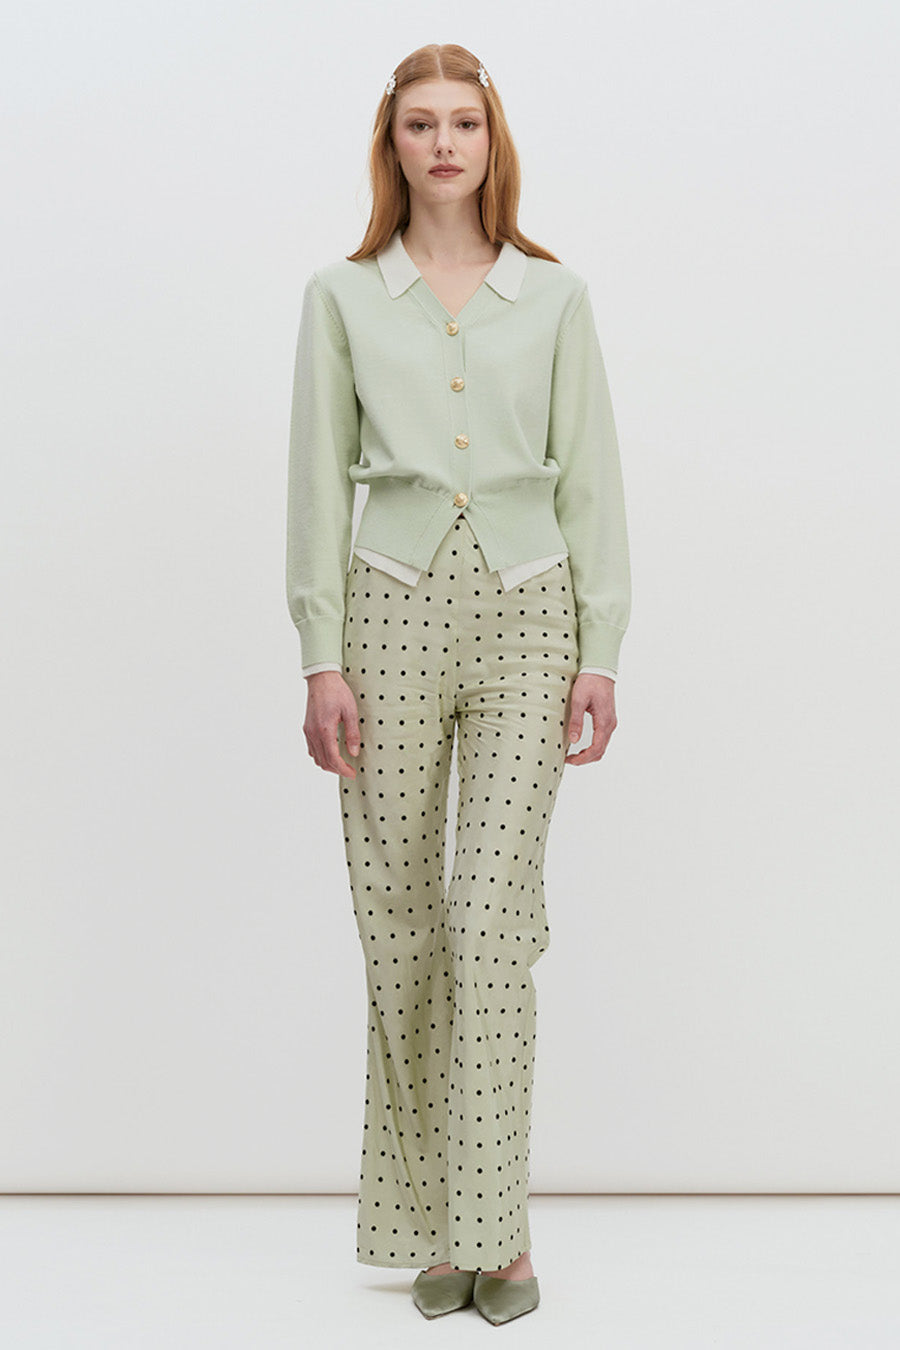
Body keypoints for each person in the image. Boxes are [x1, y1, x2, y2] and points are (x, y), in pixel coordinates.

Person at [285, 42, 631, 1326]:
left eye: (465, 124)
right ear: (393, 142)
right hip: (385, 612)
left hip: (531, 614)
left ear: (494, 141)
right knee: (402, 924)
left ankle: (502, 1233)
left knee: (489, 920)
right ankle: (436, 1227)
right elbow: (315, 480)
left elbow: (592, 476)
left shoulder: (555, 295)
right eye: (422, 124)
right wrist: (319, 653)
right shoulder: (342, 296)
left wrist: (602, 648)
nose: (445, 145)